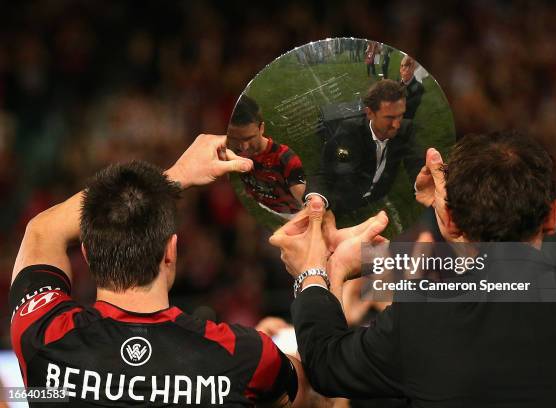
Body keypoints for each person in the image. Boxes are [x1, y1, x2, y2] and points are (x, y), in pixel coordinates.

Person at [271, 131, 556, 406]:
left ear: (449, 220)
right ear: (553, 216)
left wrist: (317, 270)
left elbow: (325, 365)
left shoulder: (421, 319)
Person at [9, 134, 315, 406]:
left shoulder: (43, 336)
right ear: (171, 251)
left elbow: (42, 231)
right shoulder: (245, 355)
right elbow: (308, 393)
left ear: (87, 254)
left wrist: (173, 178)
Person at [307, 79, 422, 213]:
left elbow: (416, 160)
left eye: (401, 115)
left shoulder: (406, 129)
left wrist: (421, 182)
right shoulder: (349, 130)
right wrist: (317, 196)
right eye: (389, 117)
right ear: (369, 113)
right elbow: (324, 170)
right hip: (346, 199)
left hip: (379, 193)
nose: (397, 124)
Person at [228, 95, 306, 216]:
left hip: (290, 216)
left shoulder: (285, 158)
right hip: (261, 210)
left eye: (249, 138)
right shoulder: (234, 151)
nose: (244, 147)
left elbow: (304, 202)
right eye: (235, 138)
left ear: (261, 128)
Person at [398, 55, 424, 120]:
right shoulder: (399, 80)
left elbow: (413, 104)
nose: (406, 69)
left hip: (406, 116)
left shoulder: (419, 88)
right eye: (404, 66)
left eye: (410, 67)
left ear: (415, 69)